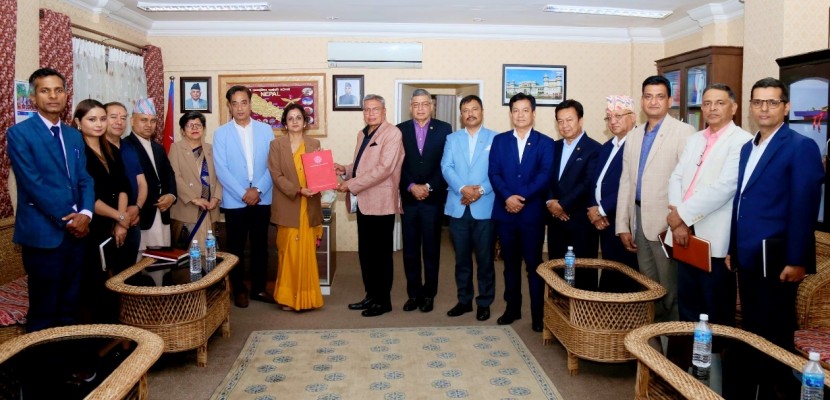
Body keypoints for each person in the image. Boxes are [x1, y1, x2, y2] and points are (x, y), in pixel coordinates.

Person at [726, 77, 823, 398]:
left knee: (777, 333)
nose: (764, 108)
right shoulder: (747, 147)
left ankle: (776, 393)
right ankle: (754, 388)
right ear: (750, 107)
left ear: (786, 107)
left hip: (779, 259)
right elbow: (741, 202)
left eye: (772, 102)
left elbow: (804, 207)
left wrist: (797, 259)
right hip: (747, 256)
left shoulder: (800, 146)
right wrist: (732, 248)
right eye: (758, 102)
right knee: (753, 329)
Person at [7, 68, 94, 331]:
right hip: (43, 236)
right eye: (45, 91)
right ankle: (40, 359)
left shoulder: (73, 135)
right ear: (33, 98)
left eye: (58, 90)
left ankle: (66, 357)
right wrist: (71, 219)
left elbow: (85, 179)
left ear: (66, 95)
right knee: (44, 310)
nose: (53, 96)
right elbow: (34, 184)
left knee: (70, 306)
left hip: (77, 235)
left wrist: (86, 214)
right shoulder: (19, 134)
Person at [666, 84, 751, 326]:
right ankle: (689, 350)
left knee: (715, 308)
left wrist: (681, 215)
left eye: (719, 103)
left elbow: (725, 187)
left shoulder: (742, 141)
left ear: (733, 108)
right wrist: (679, 221)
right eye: (707, 103)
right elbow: (676, 177)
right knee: (688, 303)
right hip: (684, 233)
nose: (712, 108)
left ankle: (715, 352)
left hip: (715, 237)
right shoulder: (694, 139)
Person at [616, 75, 695, 322]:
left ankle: (672, 339)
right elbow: (626, 181)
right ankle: (652, 336)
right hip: (638, 219)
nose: (653, 102)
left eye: (660, 96)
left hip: (667, 222)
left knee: (670, 288)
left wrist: (681, 222)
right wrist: (623, 224)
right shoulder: (634, 135)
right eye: (648, 96)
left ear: (669, 101)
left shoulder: (684, 132)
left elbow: (689, 183)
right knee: (648, 286)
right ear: (642, 101)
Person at [488, 93, 554, 332]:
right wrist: (508, 197)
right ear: (510, 114)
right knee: (510, 265)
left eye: (525, 110)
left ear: (533, 113)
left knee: (534, 265)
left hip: (531, 214)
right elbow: (494, 173)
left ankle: (538, 314)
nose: (520, 115)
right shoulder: (499, 141)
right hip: (505, 214)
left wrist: (520, 197)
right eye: (515, 110)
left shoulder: (545, 142)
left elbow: (544, 175)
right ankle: (512, 308)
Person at [335, 94, 404, 317]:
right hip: (363, 202)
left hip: (381, 202)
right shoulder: (362, 133)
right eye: (366, 109)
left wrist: (350, 184)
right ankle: (371, 296)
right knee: (366, 253)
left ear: (384, 112)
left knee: (381, 255)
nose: (370, 113)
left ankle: (383, 301)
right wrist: (345, 170)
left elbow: (384, 169)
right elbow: (361, 165)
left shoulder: (392, 133)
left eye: (375, 109)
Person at [213, 85, 274, 308]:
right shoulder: (221, 133)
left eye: (244, 103)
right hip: (234, 200)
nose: (240, 108)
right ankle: (238, 289)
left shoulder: (266, 130)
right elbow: (221, 169)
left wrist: (258, 190)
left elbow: (272, 164)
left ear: (250, 104)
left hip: (262, 198)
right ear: (229, 106)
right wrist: (242, 193)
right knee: (236, 248)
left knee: (260, 246)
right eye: (235, 104)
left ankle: (259, 288)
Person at [441, 95, 497, 321]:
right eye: (465, 110)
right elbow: (446, 167)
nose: (470, 113)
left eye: (474, 109)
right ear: (461, 114)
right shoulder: (452, 139)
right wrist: (463, 189)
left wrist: (479, 191)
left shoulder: (496, 138)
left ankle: (484, 302)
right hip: (458, 206)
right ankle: (464, 301)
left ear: (482, 111)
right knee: (461, 260)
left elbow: (498, 171)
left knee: (485, 260)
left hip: (485, 208)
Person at [73, 99, 130, 323]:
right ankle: (96, 335)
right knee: (94, 284)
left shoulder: (111, 149)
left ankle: (115, 332)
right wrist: (120, 217)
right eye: (92, 119)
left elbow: (124, 186)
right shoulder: (78, 152)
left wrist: (121, 221)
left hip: (114, 226)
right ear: (78, 122)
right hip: (91, 227)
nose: (99, 124)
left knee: (115, 281)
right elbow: (87, 196)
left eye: (102, 119)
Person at [398, 89, 452, 313]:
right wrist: (411, 186)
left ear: (432, 106)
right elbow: (397, 165)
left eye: (425, 104)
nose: (420, 108)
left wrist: (428, 186)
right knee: (410, 250)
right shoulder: (400, 130)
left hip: (433, 199)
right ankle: (414, 294)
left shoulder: (444, 129)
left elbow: (446, 164)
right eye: (416, 104)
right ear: (410, 107)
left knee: (431, 250)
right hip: (409, 199)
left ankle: (429, 294)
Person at [268, 103, 324, 311]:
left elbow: (319, 173)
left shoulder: (314, 144)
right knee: (288, 253)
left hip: (309, 205)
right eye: (290, 118)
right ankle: (288, 299)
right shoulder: (276, 145)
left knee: (307, 254)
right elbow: (276, 175)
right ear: (284, 123)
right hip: (288, 204)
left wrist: (321, 173)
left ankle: (307, 299)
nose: (294, 121)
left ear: (305, 122)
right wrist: (298, 190)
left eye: (298, 118)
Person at [546, 99, 600, 290]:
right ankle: (558, 306)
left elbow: (587, 183)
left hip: (580, 222)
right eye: (560, 121)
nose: (564, 125)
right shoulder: (553, 147)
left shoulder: (594, 148)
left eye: (569, 120)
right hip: (555, 220)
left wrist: (563, 205)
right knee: (556, 270)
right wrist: (551, 202)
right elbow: (546, 176)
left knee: (583, 272)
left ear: (580, 120)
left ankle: (585, 308)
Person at [588, 96, 639, 283]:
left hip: (624, 219)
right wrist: (594, 208)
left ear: (633, 117)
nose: (613, 121)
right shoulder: (607, 146)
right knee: (610, 268)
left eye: (618, 116)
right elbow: (595, 181)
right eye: (609, 117)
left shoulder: (638, 144)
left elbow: (631, 185)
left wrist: (601, 209)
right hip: (604, 220)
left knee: (625, 273)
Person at [123, 98, 177, 259]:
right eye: (144, 120)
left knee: (162, 261)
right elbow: (126, 184)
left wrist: (171, 196)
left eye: (153, 121)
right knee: (140, 263)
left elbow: (169, 175)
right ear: (132, 121)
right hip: (140, 215)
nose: (149, 125)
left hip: (163, 212)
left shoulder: (158, 148)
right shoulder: (125, 146)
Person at [168, 111, 222, 253]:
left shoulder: (212, 149)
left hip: (209, 208)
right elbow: (175, 177)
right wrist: (194, 199)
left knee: (209, 253)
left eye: (198, 125)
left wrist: (216, 197)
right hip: (187, 208)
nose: (194, 128)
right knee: (186, 255)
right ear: (182, 130)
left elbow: (221, 176)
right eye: (189, 125)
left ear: (204, 129)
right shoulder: (176, 148)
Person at [104, 101, 146, 272]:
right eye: (113, 117)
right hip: (108, 222)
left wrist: (137, 207)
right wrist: (120, 220)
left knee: (128, 273)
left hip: (132, 219)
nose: (119, 122)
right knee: (109, 276)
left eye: (123, 118)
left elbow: (142, 182)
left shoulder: (129, 148)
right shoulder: (97, 149)